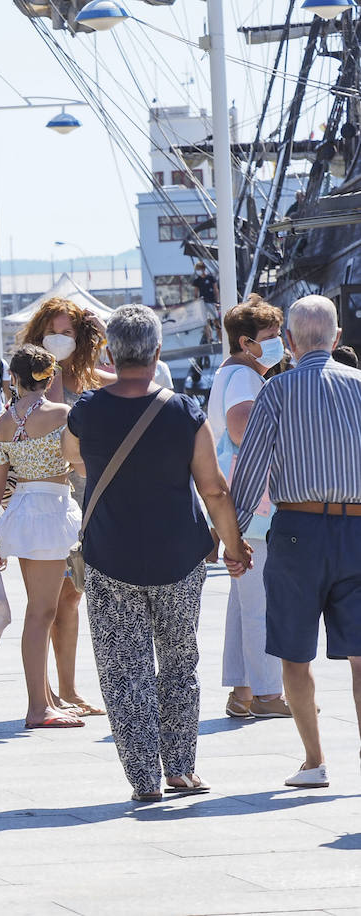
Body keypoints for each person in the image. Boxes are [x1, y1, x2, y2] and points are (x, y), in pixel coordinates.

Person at [65, 305, 250, 801]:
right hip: (178, 555)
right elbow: (213, 489)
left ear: (110, 351)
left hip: (110, 557)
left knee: (124, 671)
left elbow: (71, 456)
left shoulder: (87, 410)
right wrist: (233, 547)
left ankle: (144, 778)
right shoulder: (183, 411)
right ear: (157, 352)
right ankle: (182, 768)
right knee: (178, 662)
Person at [231, 294, 361, 790]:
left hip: (296, 530)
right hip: (357, 529)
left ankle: (314, 761)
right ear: (337, 338)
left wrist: (235, 538)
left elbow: (251, 470)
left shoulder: (277, 390)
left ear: (288, 341)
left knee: (294, 651)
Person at [0, 345, 84, 728]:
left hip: (22, 511)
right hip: (52, 512)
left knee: (42, 609)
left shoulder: (4, 423)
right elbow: (80, 464)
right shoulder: (63, 416)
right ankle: (38, 708)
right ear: (50, 377)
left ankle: (48, 698)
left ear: (14, 379)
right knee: (42, 613)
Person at [19, 297, 112, 718]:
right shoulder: (33, 378)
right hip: (50, 497)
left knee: (73, 596)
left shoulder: (92, 375)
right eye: (53, 332)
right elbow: (50, 413)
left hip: (88, 495)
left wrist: (104, 336)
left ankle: (69, 689)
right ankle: (45, 694)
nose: (60, 340)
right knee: (47, 601)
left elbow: (132, 377)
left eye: (68, 333)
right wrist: (50, 366)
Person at [207, 296, 290, 720]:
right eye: (271, 337)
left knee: (244, 602)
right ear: (246, 342)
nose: (279, 344)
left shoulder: (231, 374)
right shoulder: (243, 378)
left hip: (240, 504)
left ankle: (243, 691)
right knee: (261, 602)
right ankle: (267, 693)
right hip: (255, 504)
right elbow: (243, 430)